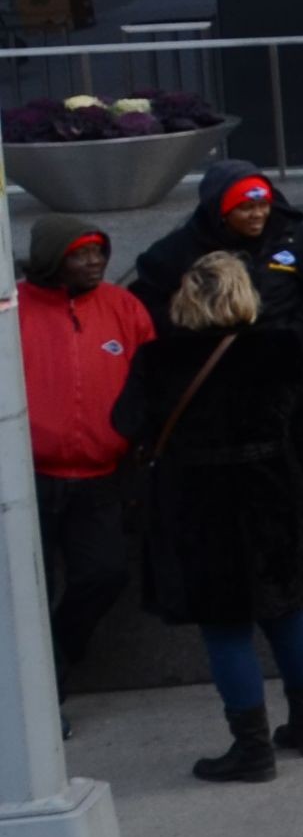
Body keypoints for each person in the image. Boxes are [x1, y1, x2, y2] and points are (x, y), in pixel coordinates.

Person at [113, 251, 303, 785]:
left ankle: (252, 748)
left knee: (225, 629)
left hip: (197, 507)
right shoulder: (286, 348)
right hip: (272, 495)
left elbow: (125, 421)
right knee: (288, 613)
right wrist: (298, 481)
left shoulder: (159, 360)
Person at [18, 222, 152, 678]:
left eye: (99, 252)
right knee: (28, 589)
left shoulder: (123, 306)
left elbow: (150, 379)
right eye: (81, 254)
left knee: (106, 573)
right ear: (53, 260)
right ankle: (44, 688)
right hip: (30, 478)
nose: (95, 262)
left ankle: (54, 660)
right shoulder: (14, 309)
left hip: (101, 476)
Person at [128, 168, 303, 339]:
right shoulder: (178, 248)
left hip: (284, 355)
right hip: (209, 360)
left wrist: (296, 329)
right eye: (245, 208)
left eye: (263, 205)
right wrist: (187, 334)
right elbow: (145, 301)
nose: (257, 215)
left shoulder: (296, 239)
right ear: (221, 213)